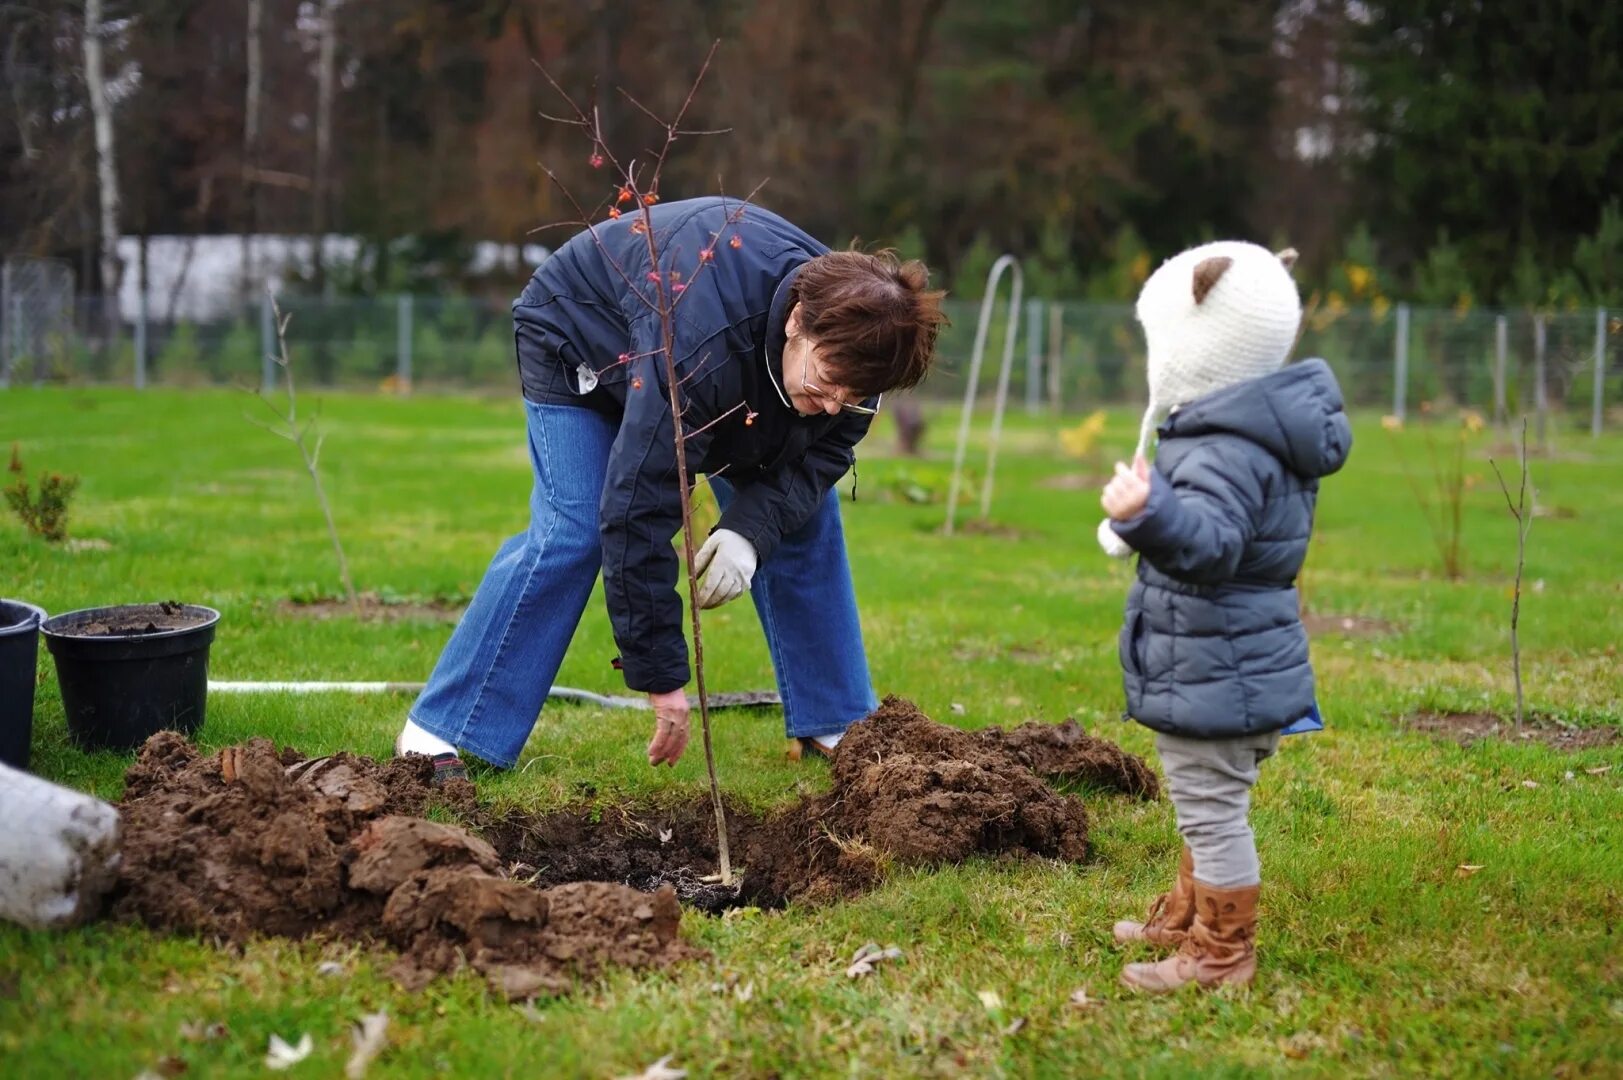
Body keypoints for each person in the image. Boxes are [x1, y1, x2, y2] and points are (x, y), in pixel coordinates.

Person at [396, 197, 945, 781]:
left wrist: (748, 534)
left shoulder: (862, 350)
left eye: (854, 395)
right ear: (796, 322)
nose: (835, 405)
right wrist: (661, 678)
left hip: (736, 366)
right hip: (581, 339)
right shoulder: (699, 344)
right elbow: (640, 503)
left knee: (804, 521)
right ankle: (443, 732)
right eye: (829, 382)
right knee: (575, 530)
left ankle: (833, 723)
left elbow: (825, 451)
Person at [1096, 240, 1351, 992]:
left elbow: (1210, 548)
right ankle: (1186, 913)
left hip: (1218, 665)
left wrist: (1148, 513)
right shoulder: (1244, 434)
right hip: (1230, 659)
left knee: (1212, 811)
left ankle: (1220, 954)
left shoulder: (1223, 450)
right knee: (1200, 798)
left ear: (1192, 346)